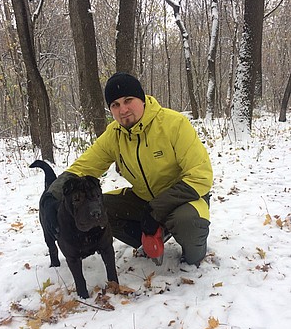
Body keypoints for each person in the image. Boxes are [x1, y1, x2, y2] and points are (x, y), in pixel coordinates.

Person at [45, 72, 213, 266]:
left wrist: (155, 210)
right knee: (100, 208)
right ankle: (151, 236)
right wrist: (52, 196)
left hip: (185, 198)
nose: (123, 109)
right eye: (115, 105)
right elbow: (84, 167)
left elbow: (200, 177)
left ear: (141, 99)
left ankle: (194, 252)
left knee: (187, 223)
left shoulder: (174, 124)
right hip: (144, 200)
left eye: (128, 100)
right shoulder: (114, 135)